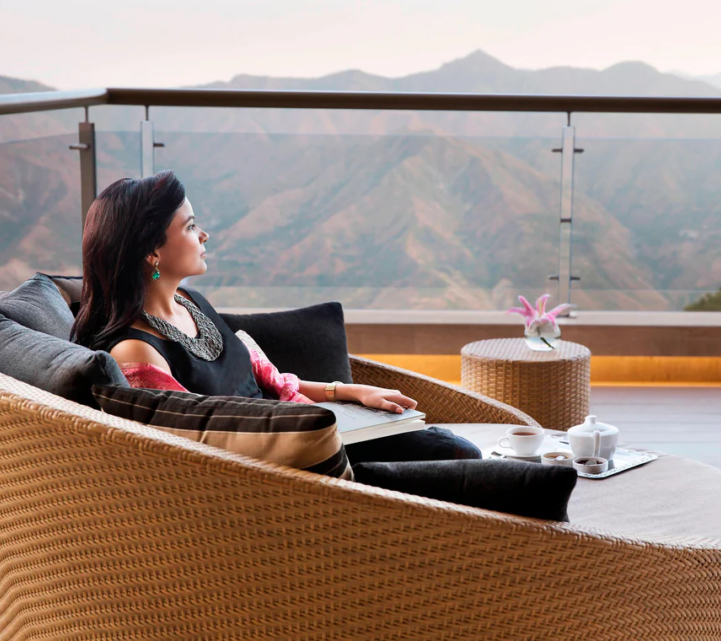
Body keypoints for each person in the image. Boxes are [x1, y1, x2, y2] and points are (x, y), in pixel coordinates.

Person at [72, 171, 480, 463]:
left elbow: (258, 381)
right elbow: (193, 452)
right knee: (456, 451)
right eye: (191, 225)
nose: (204, 235)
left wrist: (349, 393)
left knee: (443, 441)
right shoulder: (138, 353)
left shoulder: (190, 302)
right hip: (289, 465)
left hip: (311, 430)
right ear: (151, 251)